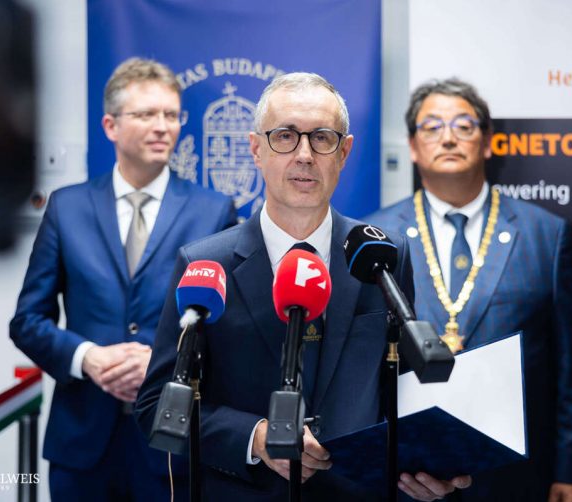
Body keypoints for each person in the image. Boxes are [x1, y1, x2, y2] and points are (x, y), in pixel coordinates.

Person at [135, 72, 471, 501]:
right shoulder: (205, 264)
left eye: (322, 138)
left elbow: (402, 385)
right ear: (256, 149)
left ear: (344, 152)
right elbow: (157, 405)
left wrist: (428, 464)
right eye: (285, 137)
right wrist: (255, 437)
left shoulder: (382, 255)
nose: (305, 155)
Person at [10, 57, 237, 501]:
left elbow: (227, 329)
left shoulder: (213, 211)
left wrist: (161, 361)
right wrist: (88, 357)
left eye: (171, 115)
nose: (162, 127)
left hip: (171, 445)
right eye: (147, 114)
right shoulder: (66, 207)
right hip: (82, 445)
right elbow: (27, 321)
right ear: (111, 125)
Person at [367, 78, 572, 501]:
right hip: (407, 474)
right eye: (432, 127)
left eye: (463, 125)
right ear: (413, 147)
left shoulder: (548, 237)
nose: (448, 138)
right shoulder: (376, 237)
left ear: (488, 142)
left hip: (516, 475)